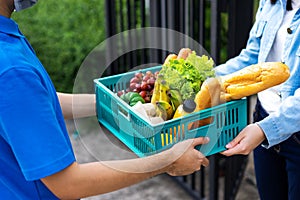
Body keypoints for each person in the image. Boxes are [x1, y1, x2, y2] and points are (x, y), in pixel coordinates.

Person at [0, 1, 210, 199]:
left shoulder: (7, 40)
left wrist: (119, 104)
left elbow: (37, 103)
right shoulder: (12, 68)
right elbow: (68, 183)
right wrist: (167, 161)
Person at [215, 0, 300, 199]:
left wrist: (266, 130)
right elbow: (252, 58)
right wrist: (204, 79)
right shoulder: (271, 2)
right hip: (262, 120)